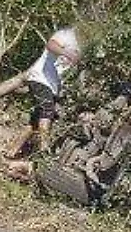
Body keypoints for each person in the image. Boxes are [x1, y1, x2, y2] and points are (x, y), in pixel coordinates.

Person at [8, 25, 83, 164]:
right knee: (47, 112)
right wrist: (67, 53)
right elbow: (50, 45)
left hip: (52, 85)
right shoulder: (66, 34)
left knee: (35, 122)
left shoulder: (81, 44)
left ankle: (12, 150)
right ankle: (44, 151)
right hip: (41, 78)